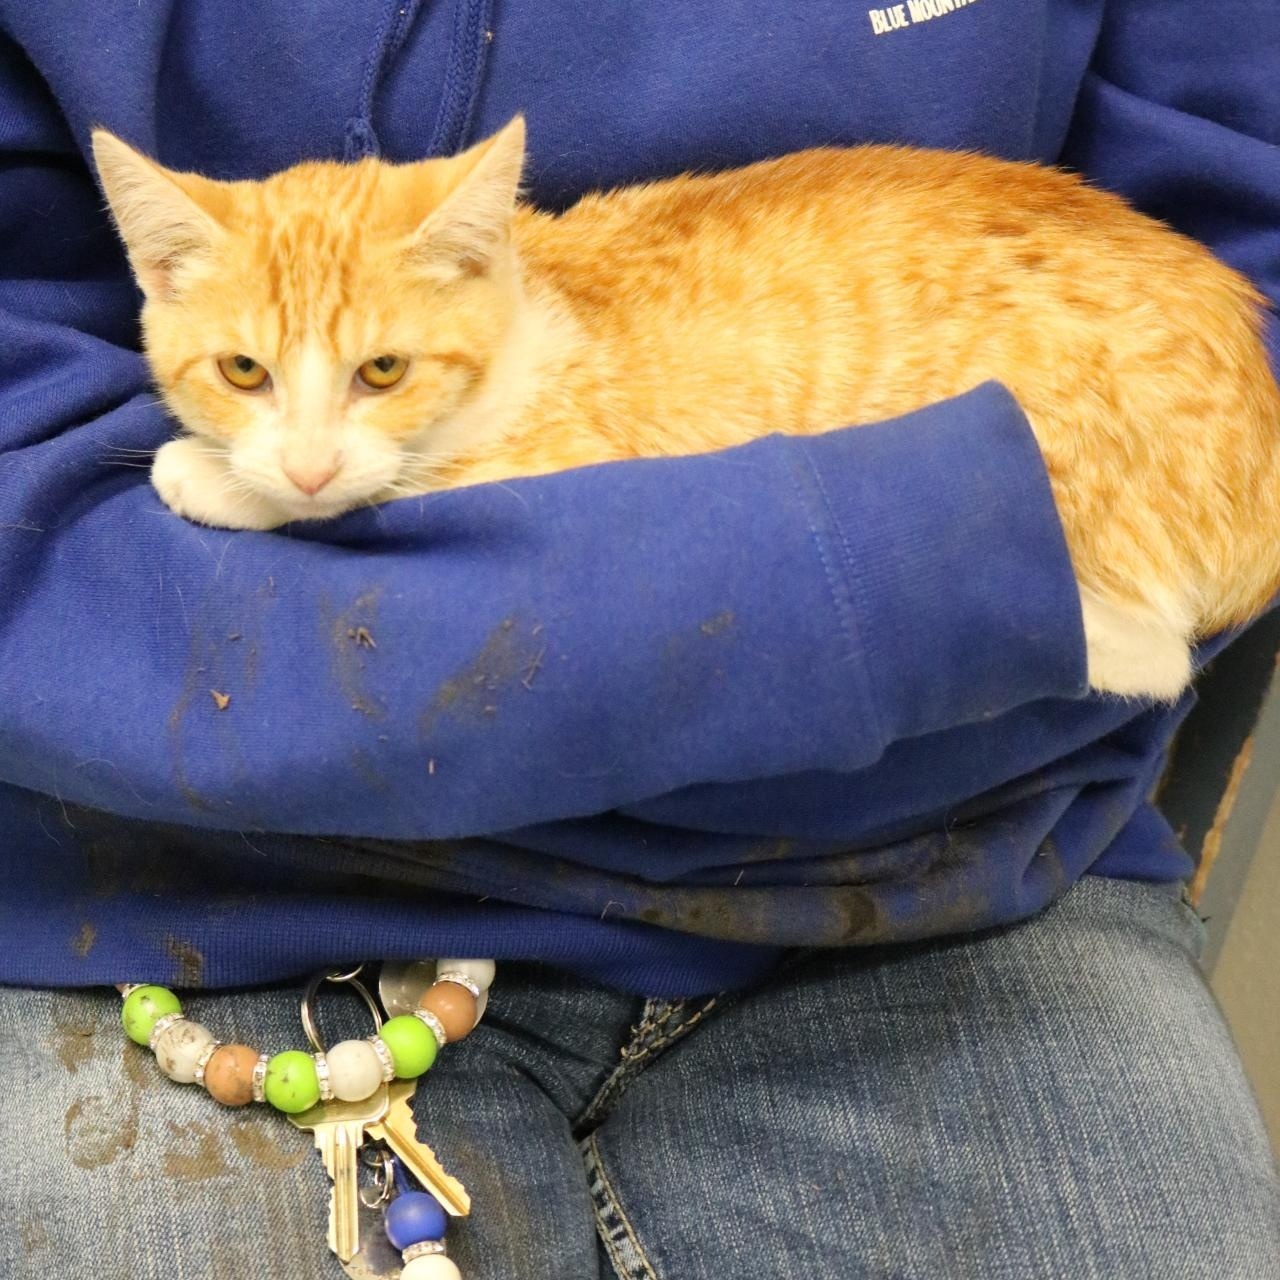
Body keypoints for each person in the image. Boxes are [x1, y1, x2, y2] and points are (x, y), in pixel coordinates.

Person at [1, 2, 1277, 1276]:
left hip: (949, 849)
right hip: (233, 899)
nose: (309, 460)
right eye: (246, 378)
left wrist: (937, 587)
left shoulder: (530, 361)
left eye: (379, 374)